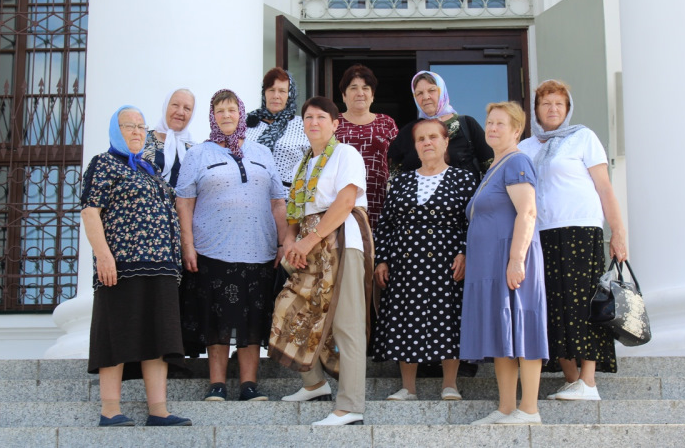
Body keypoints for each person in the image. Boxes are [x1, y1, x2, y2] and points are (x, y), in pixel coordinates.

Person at [81, 105, 191, 427]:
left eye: (141, 127)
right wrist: (103, 254)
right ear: (116, 130)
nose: (137, 132)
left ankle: (159, 410)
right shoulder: (104, 163)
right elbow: (91, 212)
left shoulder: (149, 168)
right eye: (129, 126)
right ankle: (110, 410)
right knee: (116, 334)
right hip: (122, 266)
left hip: (160, 266)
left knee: (158, 338)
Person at [176, 89, 287, 402]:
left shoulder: (262, 152)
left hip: (260, 250)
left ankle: (249, 385)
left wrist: (283, 241)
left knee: (253, 319)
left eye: (232, 110)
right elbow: (183, 202)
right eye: (219, 111)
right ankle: (217, 385)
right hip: (213, 249)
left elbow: (278, 202)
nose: (226, 116)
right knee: (217, 319)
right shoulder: (198, 153)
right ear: (213, 116)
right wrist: (188, 244)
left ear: (241, 114)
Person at [518, 79, 626, 400]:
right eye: (545, 103)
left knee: (582, 303)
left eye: (559, 104)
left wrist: (618, 232)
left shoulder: (583, 138)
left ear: (567, 109)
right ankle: (571, 377)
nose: (552, 109)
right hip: (540, 235)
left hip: (580, 229)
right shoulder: (526, 147)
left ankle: (588, 382)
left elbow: (604, 187)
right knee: (551, 304)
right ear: (536, 110)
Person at [270, 96, 373, 426]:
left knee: (346, 323)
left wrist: (309, 240)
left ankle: (350, 405)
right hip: (307, 246)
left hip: (340, 243)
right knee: (289, 311)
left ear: (335, 123)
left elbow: (345, 201)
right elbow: (294, 211)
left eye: (320, 117)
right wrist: (289, 241)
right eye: (308, 118)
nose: (313, 122)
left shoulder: (345, 154)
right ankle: (314, 384)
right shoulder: (305, 163)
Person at [372, 119, 477, 401]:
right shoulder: (402, 180)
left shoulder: (464, 179)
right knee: (405, 317)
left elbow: (475, 222)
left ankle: (450, 385)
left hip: (447, 261)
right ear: (415, 146)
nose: (427, 143)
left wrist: (466, 252)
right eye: (421, 139)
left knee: (448, 316)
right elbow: (386, 224)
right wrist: (381, 260)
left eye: (433, 137)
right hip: (404, 261)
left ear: (445, 142)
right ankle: (408, 387)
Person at [461, 101, 548, 425]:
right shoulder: (493, 168)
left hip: (510, 259)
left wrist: (516, 260)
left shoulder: (517, 161)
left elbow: (527, 212)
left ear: (516, 130)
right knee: (501, 332)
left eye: (501, 123)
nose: (493, 128)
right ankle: (506, 407)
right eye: (490, 122)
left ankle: (529, 409)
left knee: (522, 328)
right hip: (488, 264)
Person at [388, 70, 492, 180]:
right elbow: (394, 178)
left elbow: (492, 169)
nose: (425, 97)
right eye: (419, 93)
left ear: (442, 91)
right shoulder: (408, 132)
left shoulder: (467, 125)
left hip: (466, 196)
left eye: (431, 90)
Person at [334, 64, 398, 228]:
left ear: (372, 95)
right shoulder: (333, 123)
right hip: (339, 198)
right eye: (353, 88)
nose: (360, 93)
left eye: (366, 88)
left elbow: (396, 161)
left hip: (378, 198)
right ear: (344, 95)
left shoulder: (386, 122)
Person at [245, 68, 307, 198]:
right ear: (264, 93)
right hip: (249, 197)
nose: (276, 96)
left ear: (290, 95)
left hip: (288, 200)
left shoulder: (303, 125)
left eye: (282, 91)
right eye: (271, 90)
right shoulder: (246, 122)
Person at [142, 88, 196, 187]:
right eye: (175, 105)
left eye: (187, 108)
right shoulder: (142, 141)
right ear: (165, 106)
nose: (180, 112)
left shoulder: (195, 152)